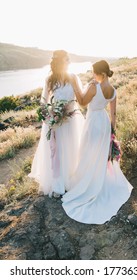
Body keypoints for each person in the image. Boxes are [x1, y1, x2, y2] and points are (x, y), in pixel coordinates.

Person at [62, 60, 133, 224]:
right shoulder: (113, 90)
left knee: (88, 152)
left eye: (94, 72)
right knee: (100, 155)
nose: (92, 75)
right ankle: (97, 178)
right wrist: (112, 132)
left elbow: (81, 101)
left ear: (100, 73)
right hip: (105, 123)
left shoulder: (94, 87)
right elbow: (113, 114)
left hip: (93, 122)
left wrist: (76, 84)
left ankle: (88, 182)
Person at [29, 50, 84, 196]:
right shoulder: (49, 79)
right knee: (58, 152)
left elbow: (81, 99)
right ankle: (59, 183)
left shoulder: (73, 77)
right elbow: (44, 101)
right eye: (67, 59)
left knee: (71, 148)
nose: (69, 62)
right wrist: (50, 116)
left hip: (71, 120)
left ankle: (71, 180)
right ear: (61, 62)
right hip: (55, 122)